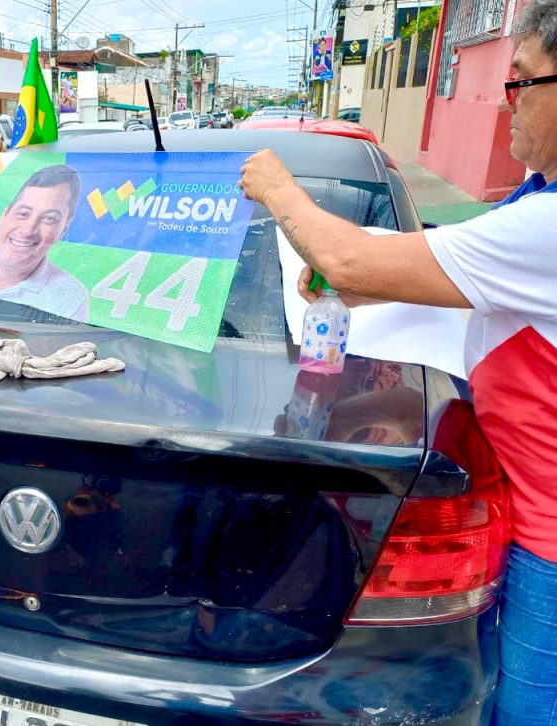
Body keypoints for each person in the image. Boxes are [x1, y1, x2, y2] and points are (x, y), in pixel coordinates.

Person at [239, 0, 557, 721]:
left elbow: (350, 260)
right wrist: (353, 401)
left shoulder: (548, 226)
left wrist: (278, 188)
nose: (507, 103)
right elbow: (406, 277)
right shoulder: (533, 205)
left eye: (523, 80)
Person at [0, 164, 90, 321]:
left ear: (64, 228)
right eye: (23, 213)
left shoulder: (70, 297)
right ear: (4, 215)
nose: (28, 231)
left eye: (49, 218)